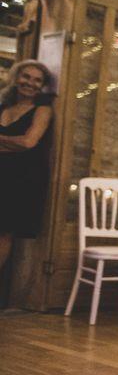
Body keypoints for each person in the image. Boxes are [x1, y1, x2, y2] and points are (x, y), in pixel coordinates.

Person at [0, 60, 55, 282]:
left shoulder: (43, 110)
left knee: (3, 232)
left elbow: (29, 142)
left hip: (20, 178)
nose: (30, 83)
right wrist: (11, 143)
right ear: (16, 78)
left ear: (42, 86)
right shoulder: (3, 105)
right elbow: (19, 142)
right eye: (26, 77)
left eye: (37, 80)